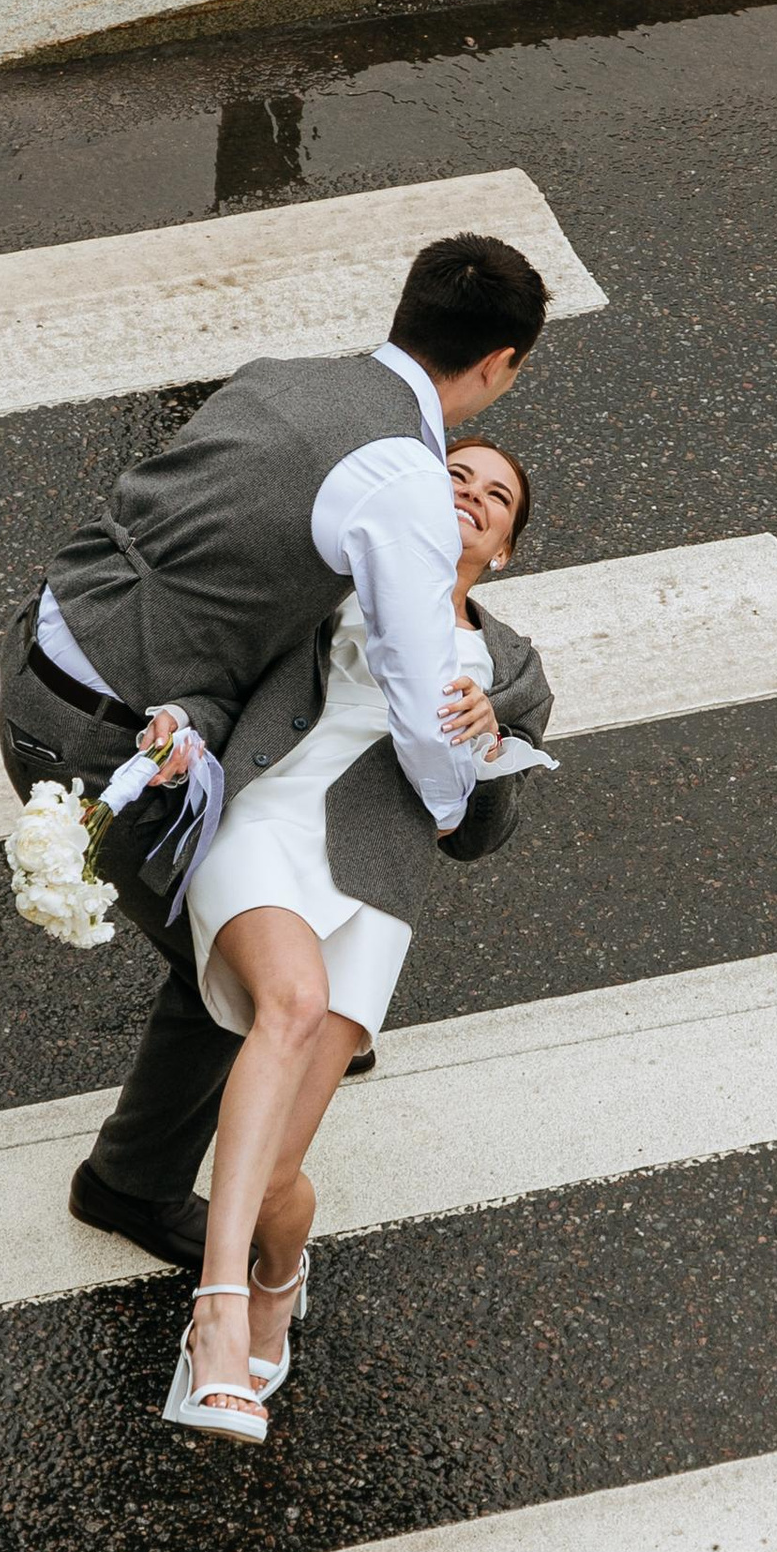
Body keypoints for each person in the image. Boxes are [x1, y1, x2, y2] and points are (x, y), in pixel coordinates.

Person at [0, 230, 550, 1269]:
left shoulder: (282, 378)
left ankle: (301, 1036)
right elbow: (419, 683)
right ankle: (131, 1183)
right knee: (230, 961)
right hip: (109, 729)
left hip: (46, 644)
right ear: (498, 365)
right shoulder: (403, 482)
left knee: (260, 946)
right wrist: (449, 809)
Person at [166, 439, 551, 1440]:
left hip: (377, 881)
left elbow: (478, 838)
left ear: (505, 549)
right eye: (456, 476)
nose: (471, 497)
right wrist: (179, 727)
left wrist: (485, 744)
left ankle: (279, 1272)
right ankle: (215, 1320)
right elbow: (231, 672)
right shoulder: (336, 581)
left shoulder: (511, 668)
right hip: (269, 820)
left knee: (274, 1179)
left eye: (496, 497)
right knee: (290, 1000)